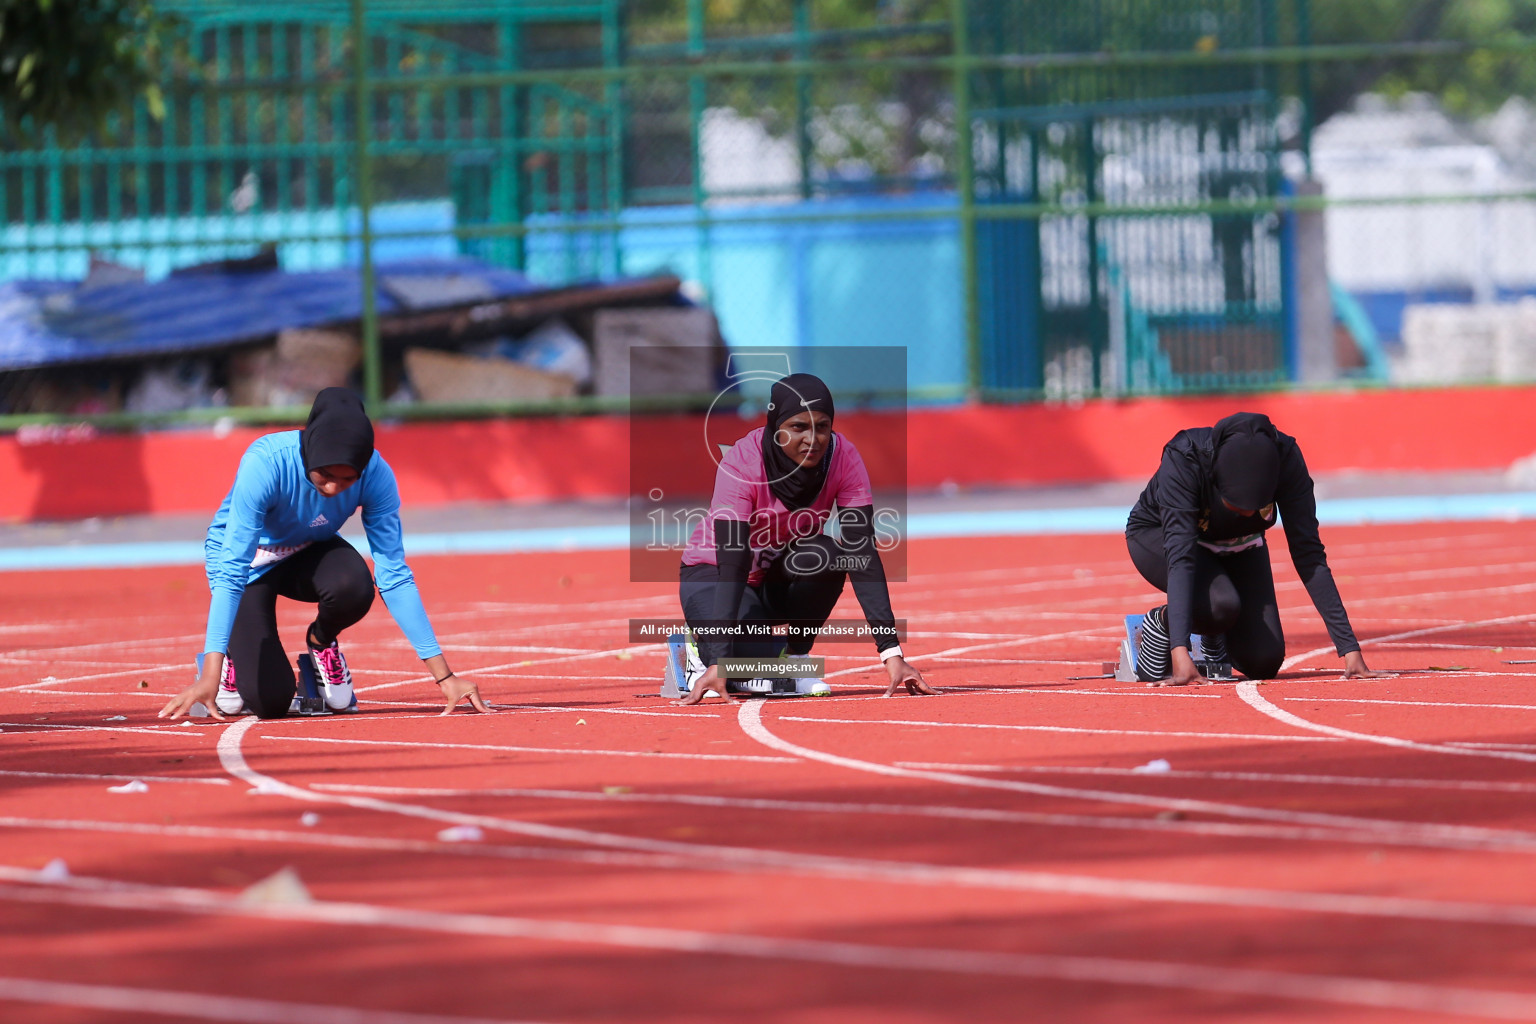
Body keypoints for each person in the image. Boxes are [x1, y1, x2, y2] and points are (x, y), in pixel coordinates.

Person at [160, 388, 490, 720]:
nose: (333, 488)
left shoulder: (376, 475)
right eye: (326, 475)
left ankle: (321, 643)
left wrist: (445, 677)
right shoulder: (265, 462)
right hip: (249, 564)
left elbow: (394, 575)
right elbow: (231, 568)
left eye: (347, 480)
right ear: (309, 453)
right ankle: (229, 654)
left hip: (306, 548)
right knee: (270, 703)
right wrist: (210, 675)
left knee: (354, 584)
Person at [677, 372, 933, 704]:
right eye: (799, 427)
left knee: (829, 553)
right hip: (714, 572)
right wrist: (719, 659)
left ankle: (795, 659)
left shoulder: (844, 459)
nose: (813, 439)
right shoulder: (741, 463)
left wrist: (892, 654)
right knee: (742, 669)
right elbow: (734, 560)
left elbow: (862, 551)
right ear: (775, 426)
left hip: (771, 579)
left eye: (822, 427)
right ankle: (696, 649)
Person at [1126, 411, 1380, 686]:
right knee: (1219, 606)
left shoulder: (1286, 459)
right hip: (1163, 537)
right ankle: (1163, 621)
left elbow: (1309, 554)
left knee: (1264, 661)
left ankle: (1214, 635)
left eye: (1255, 508)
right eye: (1236, 506)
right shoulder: (1186, 458)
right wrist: (1180, 650)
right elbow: (1181, 558)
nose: (1247, 515)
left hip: (1240, 545)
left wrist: (1349, 649)